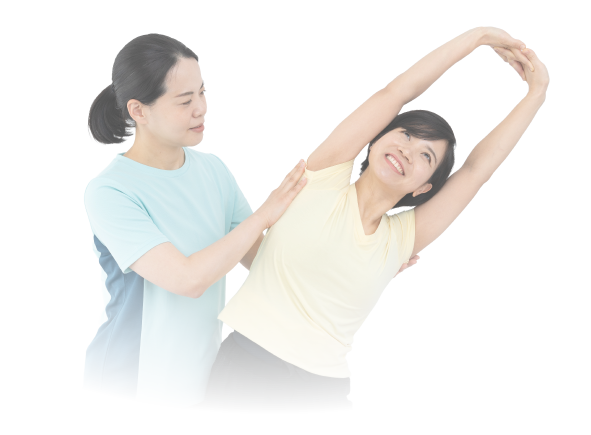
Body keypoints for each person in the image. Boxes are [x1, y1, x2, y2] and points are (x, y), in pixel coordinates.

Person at [201, 26, 549, 413]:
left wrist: (537, 92)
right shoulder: (322, 177)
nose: (408, 150)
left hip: (326, 391)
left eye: (426, 156)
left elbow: (476, 171)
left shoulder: (401, 238)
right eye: (406, 134)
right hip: (247, 374)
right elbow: (396, 92)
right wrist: (478, 36)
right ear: (376, 138)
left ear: (424, 187)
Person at [83, 33, 312, 409]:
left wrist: (365, 255)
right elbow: (187, 280)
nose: (201, 109)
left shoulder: (213, 169)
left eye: (202, 93)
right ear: (139, 110)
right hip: (134, 383)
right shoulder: (110, 190)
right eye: (185, 100)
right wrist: (266, 213)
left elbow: (264, 261)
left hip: (208, 381)